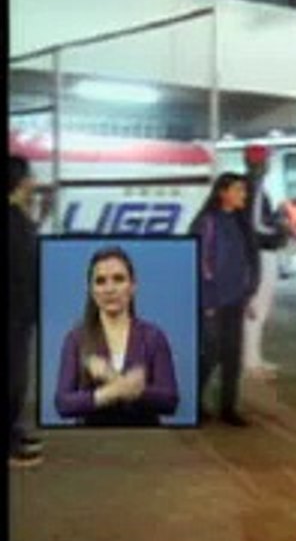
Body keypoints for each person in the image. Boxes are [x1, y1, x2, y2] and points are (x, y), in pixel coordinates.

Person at [54, 246, 180, 426]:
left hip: (145, 441)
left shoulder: (154, 336)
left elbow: (169, 401)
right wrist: (113, 391)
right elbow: (63, 404)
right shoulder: (75, 339)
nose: (109, 289)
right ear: (91, 290)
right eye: (100, 281)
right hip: (91, 440)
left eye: (118, 279)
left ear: (133, 286)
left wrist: (112, 378)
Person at [191, 172, 260, 426]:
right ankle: (193, 403)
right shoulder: (207, 222)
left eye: (244, 190)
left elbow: (248, 261)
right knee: (210, 355)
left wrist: (248, 294)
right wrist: (207, 301)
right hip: (212, 302)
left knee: (233, 356)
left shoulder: (241, 224)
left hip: (235, 300)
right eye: (238, 190)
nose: (244, 195)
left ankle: (228, 408)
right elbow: (199, 262)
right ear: (223, 193)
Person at [9, 156, 45, 466]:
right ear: (19, 182)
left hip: (20, 312)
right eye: (30, 177)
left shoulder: (19, 218)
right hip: (14, 313)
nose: (34, 182)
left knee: (17, 377)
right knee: (13, 377)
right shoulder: (13, 221)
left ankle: (14, 431)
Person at [242, 144, 288, 380]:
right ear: (260, 163)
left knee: (254, 309)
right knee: (256, 309)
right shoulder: (255, 187)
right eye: (266, 160)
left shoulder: (247, 186)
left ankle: (253, 359)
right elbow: (255, 225)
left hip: (255, 252)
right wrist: (280, 230)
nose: (268, 164)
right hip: (260, 253)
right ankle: (251, 362)